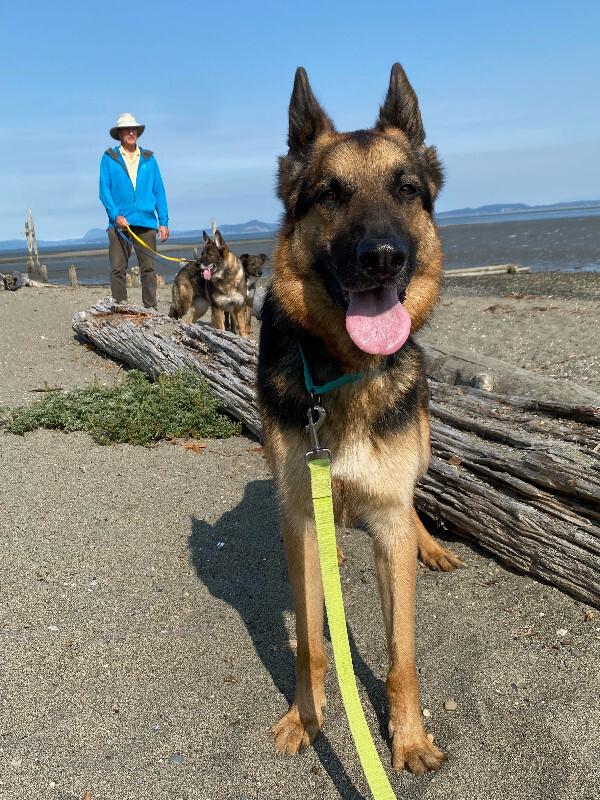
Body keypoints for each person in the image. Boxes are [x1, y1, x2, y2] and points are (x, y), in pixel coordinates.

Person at [99, 113, 170, 308]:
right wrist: (115, 216)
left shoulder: (149, 159)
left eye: (134, 129)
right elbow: (104, 191)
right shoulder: (109, 158)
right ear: (119, 133)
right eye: (127, 129)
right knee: (117, 269)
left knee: (148, 269)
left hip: (147, 222)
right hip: (120, 224)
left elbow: (159, 190)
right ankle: (121, 309)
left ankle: (150, 309)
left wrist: (163, 221)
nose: (131, 132)